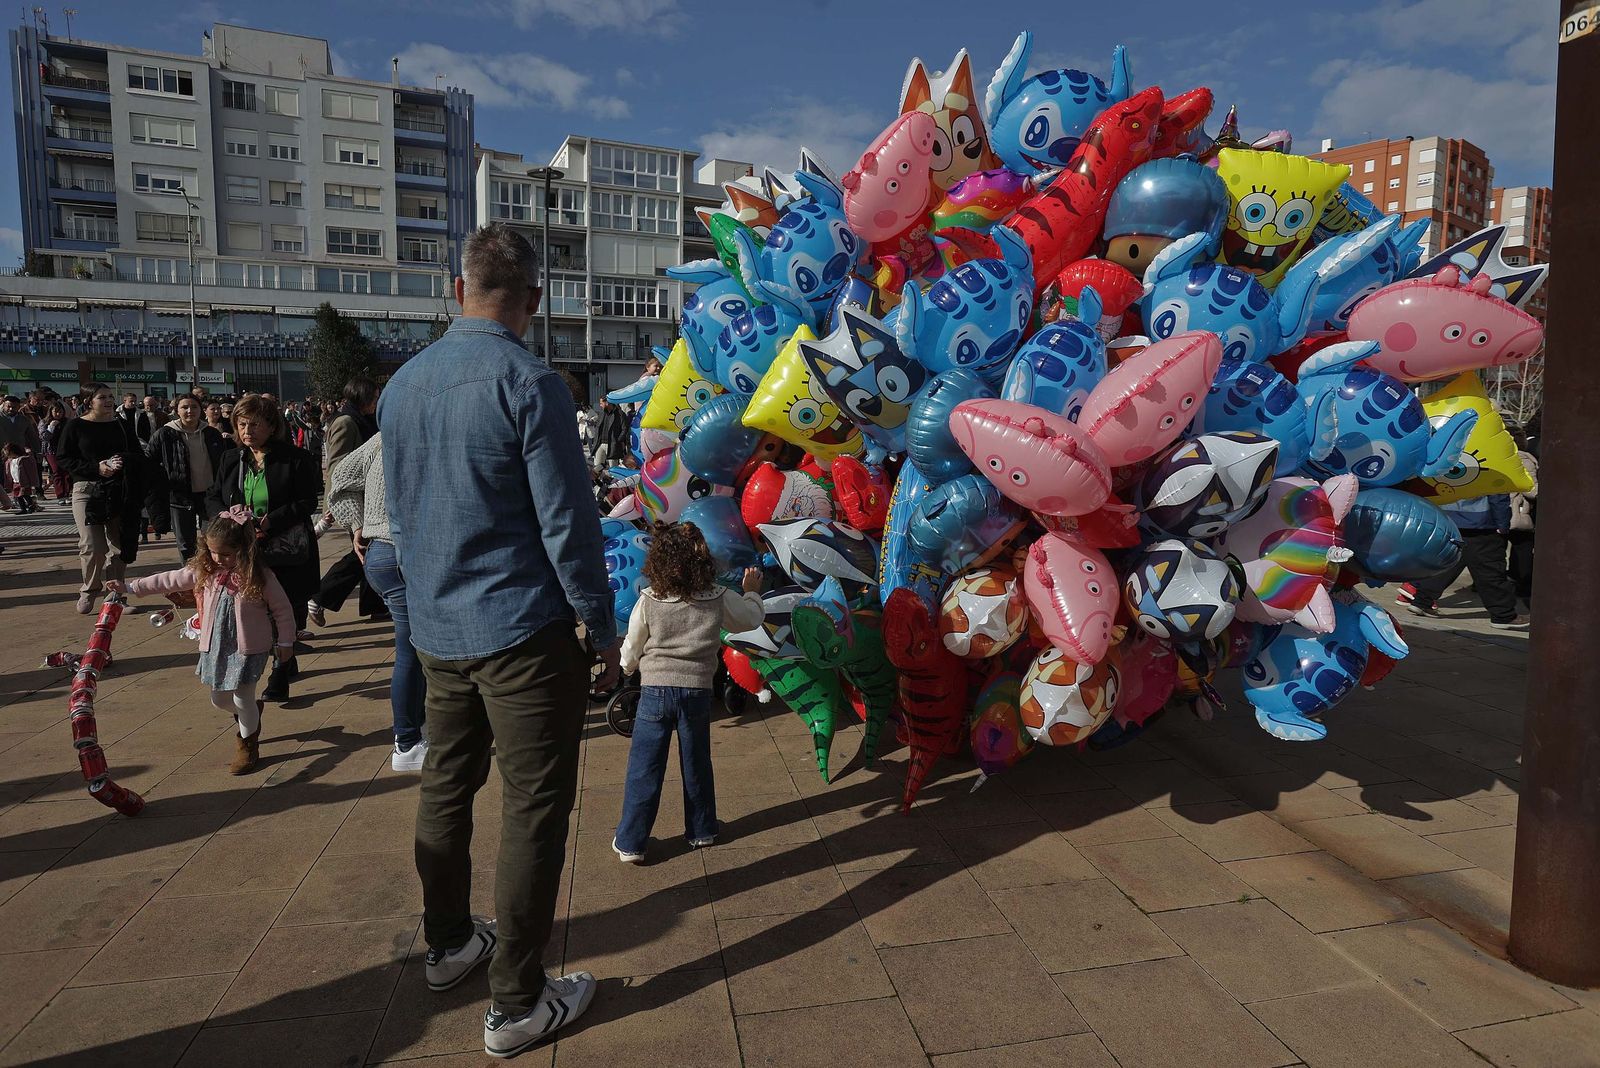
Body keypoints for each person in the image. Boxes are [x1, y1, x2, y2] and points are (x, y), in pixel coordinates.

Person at [380, 223, 615, 1056]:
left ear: (459, 290)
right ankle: (516, 1002)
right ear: (533, 301)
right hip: (520, 629)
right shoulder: (530, 382)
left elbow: (401, 509)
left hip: (438, 625)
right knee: (533, 808)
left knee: (447, 784)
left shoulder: (402, 385)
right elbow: (568, 525)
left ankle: (448, 942)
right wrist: (602, 628)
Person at [613, 525, 762, 863]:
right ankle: (702, 829)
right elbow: (750, 619)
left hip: (655, 691)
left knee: (645, 767)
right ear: (703, 561)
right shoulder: (716, 597)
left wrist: (625, 668)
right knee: (696, 762)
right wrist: (752, 591)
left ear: (658, 562)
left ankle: (631, 841)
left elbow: (632, 646)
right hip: (696, 691)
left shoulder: (649, 599)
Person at [106, 509, 295, 774]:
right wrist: (131, 586)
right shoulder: (206, 570)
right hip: (217, 646)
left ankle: (248, 745)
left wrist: (286, 643)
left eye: (226, 554)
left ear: (244, 549)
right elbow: (170, 579)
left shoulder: (259, 575)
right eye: (213, 552)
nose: (218, 558)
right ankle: (250, 714)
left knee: (243, 698)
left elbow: (282, 610)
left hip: (249, 648)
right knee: (219, 699)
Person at [208, 395, 322, 702]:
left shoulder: (294, 459)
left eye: (255, 425)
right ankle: (285, 658)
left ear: (272, 426)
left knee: (285, 608)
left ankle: (279, 674)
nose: (248, 431)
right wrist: (228, 518)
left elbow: (307, 502)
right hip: (246, 549)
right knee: (259, 610)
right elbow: (213, 496)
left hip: (284, 549)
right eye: (242, 424)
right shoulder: (232, 458)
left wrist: (270, 522)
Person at [328, 431, 427, 770]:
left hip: (381, 553)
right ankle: (407, 741)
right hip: (404, 550)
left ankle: (416, 730)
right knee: (415, 649)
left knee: (412, 648)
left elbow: (341, 476)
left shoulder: (387, 433)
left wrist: (358, 524)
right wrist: (358, 522)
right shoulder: (434, 430)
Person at [56, 385, 143, 613]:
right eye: (102, 397)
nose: (108, 401)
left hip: (118, 490)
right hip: (86, 489)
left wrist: (122, 462)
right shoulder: (75, 426)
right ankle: (89, 590)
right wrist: (97, 467)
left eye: (110, 397)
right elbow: (63, 458)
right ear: (88, 401)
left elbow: (137, 455)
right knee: (92, 545)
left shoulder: (121, 425)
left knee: (119, 545)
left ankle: (115, 596)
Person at [307, 376, 384, 628]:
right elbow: (337, 468)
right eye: (374, 397)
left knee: (368, 550)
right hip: (352, 501)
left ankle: (375, 606)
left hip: (368, 499)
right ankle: (320, 596)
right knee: (362, 551)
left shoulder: (364, 420)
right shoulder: (346, 422)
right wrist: (336, 505)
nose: (377, 401)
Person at [1406, 494, 1528, 630]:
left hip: (1448, 517)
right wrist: (1503, 523)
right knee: (1490, 571)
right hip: (1481, 522)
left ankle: (1422, 601)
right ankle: (1504, 615)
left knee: (1449, 562)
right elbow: (1498, 493)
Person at [147, 395, 227, 562]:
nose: (190, 411)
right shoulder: (165, 433)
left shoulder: (211, 433)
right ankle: (190, 575)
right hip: (180, 496)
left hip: (209, 495)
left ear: (200, 410)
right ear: (176, 410)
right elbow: (149, 461)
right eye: (184, 407)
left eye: (194, 407)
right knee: (186, 545)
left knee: (212, 541)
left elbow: (223, 463)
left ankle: (209, 574)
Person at [1508, 428, 1537, 607]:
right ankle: (1524, 586)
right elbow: (1531, 488)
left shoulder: (1498, 456)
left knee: (1493, 551)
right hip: (1517, 511)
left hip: (1499, 510)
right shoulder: (1525, 460)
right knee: (1523, 547)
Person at [0, 394, 42, 510]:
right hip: (2, 454)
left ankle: (18, 500)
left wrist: (38, 452)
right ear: (3, 405)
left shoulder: (24, 420)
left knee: (18, 480)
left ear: (19, 407)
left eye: (14, 407)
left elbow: (32, 437)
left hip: (18, 456)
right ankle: (5, 501)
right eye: (8, 406)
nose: (11, 409)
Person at [39, 399, 70, 502]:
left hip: (65, 450)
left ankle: (66, 494)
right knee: (57, 471)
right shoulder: (44, 422)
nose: (58, 414)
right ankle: (60, 495)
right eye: (55, 411)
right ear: (51, 411)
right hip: (51, 450)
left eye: (60, 412)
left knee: (66, 472)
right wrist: (51, 427)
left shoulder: (67, 422)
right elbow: (44, 437)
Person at [593, 399, 630, 473]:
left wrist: (618, 440)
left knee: (613, 468)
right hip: (600, 444)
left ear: (607, 403)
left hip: (612, 445)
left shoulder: (620, 414)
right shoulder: (602, 413)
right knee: (597, 467)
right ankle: (599, 480)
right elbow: (598, 427)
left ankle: (613, 480)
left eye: (601, 403)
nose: (600, 405)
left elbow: (625, 429)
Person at [3, 442, 39, 513]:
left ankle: (31, 506)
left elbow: (29, 470)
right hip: (15, 481)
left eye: (8, 454)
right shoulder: (10, 461)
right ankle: (23, 509)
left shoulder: (22, 459)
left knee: (25, 495)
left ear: (13, 452)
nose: (8, 456)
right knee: (18, 496)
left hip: (24, 482)